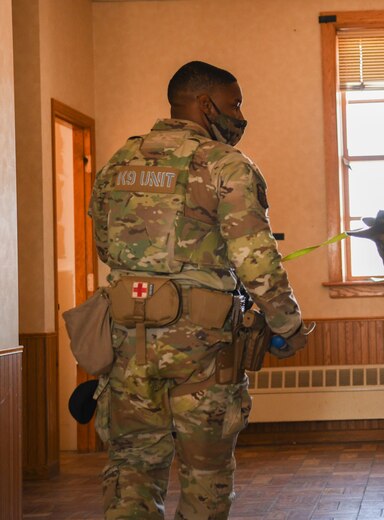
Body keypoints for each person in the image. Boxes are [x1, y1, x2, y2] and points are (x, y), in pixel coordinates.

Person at [88, 60, 308, 519]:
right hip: (202, 352)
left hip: (128, 345)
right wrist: (289, 325)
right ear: (206, 104)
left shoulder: (118, 162)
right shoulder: (225, 165)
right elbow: (256, 261)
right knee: (205, 479)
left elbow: (106, 247)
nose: (240, 114)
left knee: (131, 473)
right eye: (235, 104)